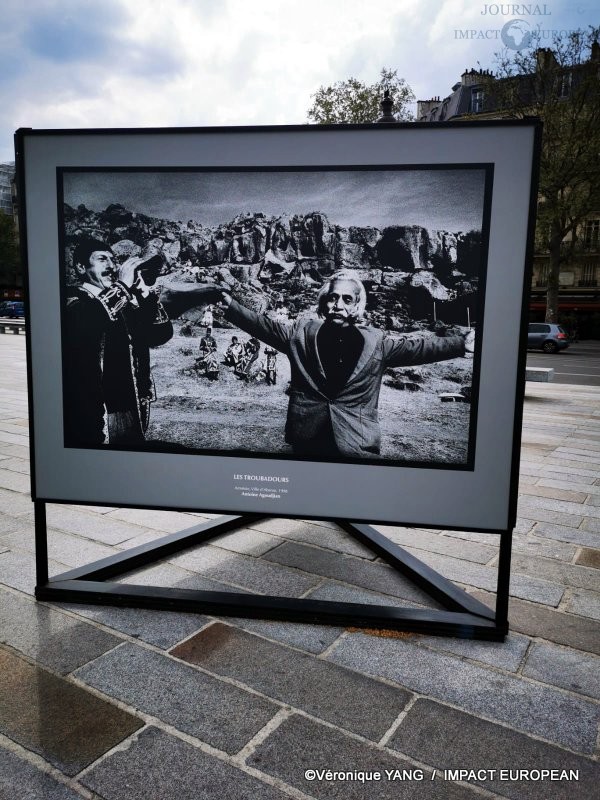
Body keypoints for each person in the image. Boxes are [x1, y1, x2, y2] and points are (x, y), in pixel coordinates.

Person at [180, 270, 474, 459]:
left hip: (356, 443)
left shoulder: (378, 342)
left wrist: (461, 343)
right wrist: (231, 305)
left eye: (347, 299)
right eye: (333, 298)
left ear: (358, 306)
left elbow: (418, 347)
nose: (339, 305)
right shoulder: (300, 333)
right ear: (323, 303)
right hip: (308, 437)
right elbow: (263, 326)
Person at [64, 238, 173, 447]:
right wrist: (122, 286)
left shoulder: (122, 303)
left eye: (113, 260)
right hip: (92, 409)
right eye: (102, 259)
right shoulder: (72, 299)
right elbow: (88, 321)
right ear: (80, 267)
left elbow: (161, 334)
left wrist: (144, 293)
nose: (112, 266)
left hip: (129, 406)